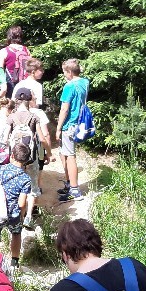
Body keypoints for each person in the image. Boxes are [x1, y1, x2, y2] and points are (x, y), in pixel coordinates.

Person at [9, 87, 52, 228]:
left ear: (16, 99)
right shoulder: (34, 117)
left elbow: (5, 138)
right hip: (31, 158)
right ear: (29, 100)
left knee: (16, 185)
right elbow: (42, 138)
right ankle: (28, 217)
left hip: (15, 159)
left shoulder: (11, 117)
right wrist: (49, 153)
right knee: (33, 186)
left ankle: (16, 216)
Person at [0, 142, 33, 273]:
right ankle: (14, 262)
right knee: (16, 234)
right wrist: (21, 215)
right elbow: (22, 203)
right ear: (26, 160)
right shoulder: (25, 178)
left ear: (12, 155)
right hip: (13, 213)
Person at [56, 58, 90, 203]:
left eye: (64, 72)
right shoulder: (85, 82)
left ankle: (75, 191)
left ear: (69, 72)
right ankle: (69, 184)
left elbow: (64, 109)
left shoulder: (69, 86)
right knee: (64, 153)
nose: (64, 75)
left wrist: (58, 128)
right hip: (79, 123)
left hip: (69, 125)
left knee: (70, 156)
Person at [1, 26, 31, 97]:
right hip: (25, 81)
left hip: (10, 82)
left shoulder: (5, 51)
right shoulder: (26, 50)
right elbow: (31, 66)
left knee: (11, 101)